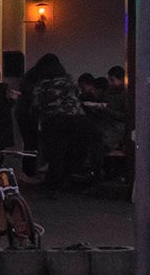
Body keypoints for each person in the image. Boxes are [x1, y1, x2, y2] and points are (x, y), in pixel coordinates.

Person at [30, 55, 101, 191]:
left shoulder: (41, 84)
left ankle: (53, 187)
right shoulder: (68, 81)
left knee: (56, 154)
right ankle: (89, 175)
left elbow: (36, 105)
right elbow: (76, 98)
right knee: (90, 139)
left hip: (53, 120)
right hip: (76, 118)